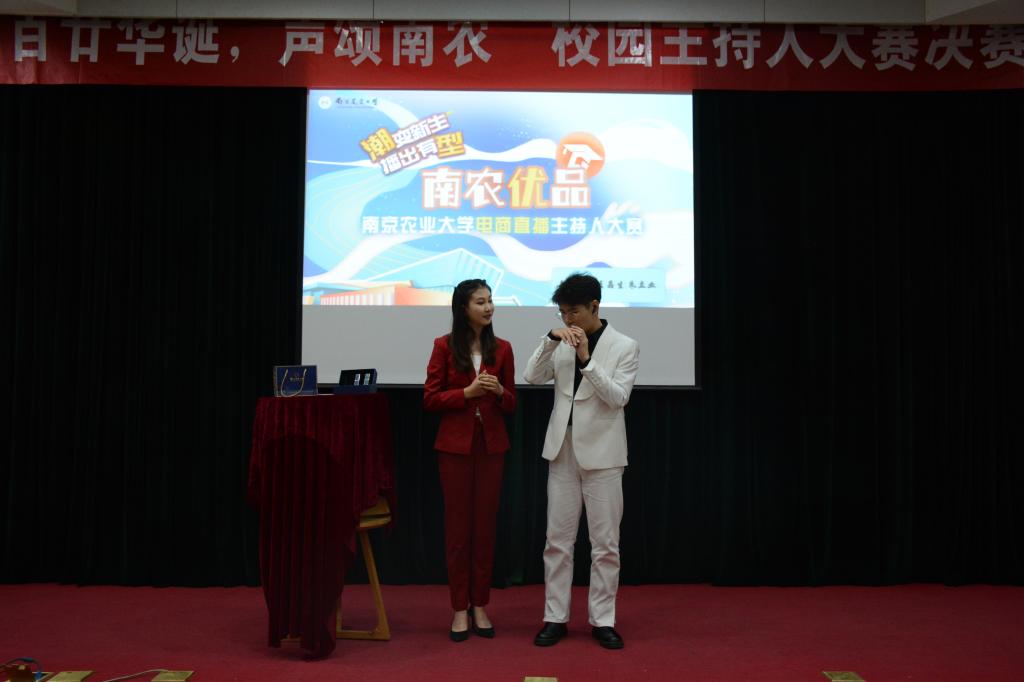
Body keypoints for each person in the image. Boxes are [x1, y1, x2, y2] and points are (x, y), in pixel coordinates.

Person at [523, 272, 640, 650]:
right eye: (562, 313)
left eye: (573, 312)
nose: (567, 319)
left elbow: (618, 397)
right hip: (562, 449)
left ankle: (602, 620)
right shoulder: (560, 340)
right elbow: (531, 376)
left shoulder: (624, 345)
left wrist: (587, 359)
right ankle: (555, 617)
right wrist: (549, 339)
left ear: (594, 306)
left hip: (604, 454)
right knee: (557, 541)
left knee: (605, 544)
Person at [423, 279, 517, 642]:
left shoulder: (503, 348)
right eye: (480, 302)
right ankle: (459, 608)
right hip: (455, 449)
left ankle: (480, 604)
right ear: (463, 308)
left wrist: (500, 391)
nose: (489, 307)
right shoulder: (443, 346)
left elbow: (512, 403)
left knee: (484, 529)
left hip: (491, 447)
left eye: (490, 300)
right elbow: (430, 399)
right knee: (458, 531)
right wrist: (467, 392)